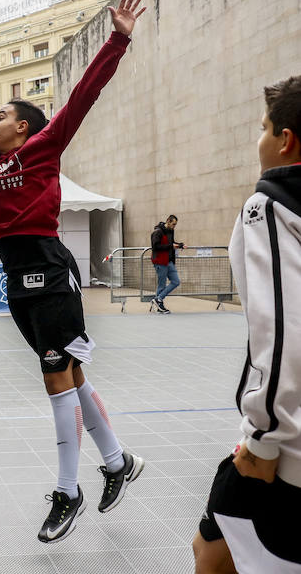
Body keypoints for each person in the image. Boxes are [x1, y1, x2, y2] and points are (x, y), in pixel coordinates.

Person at [0, 0, 146, 543]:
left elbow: (85, 95)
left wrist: (118, 38)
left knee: (54, 375)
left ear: (23, 127)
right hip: (16, 275)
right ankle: (117, 464)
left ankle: (68, 491)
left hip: (47, 264)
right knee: (71, 375)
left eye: (2, 115)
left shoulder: (45, 145)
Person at [193, 75, 301, 574]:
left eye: (263, 129)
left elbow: (283, 329)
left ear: (286, 140)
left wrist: (263, 438)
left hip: (287, 446)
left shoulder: (272, 204)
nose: (259, 141)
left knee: (218, 558)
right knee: (213, 549)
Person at [150, 215, 184, 314]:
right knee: (161, 285)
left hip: (169, 261)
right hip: (160, 261)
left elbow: (171, 243)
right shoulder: (157, 232)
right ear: (168, 221)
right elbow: (155, 247)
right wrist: (171, 245)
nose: (174, 226)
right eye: (173, 224)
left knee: (176, 281)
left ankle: (158, 299)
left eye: (175, 225)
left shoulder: (171, 231)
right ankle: (159, 306)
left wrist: (180, 245)